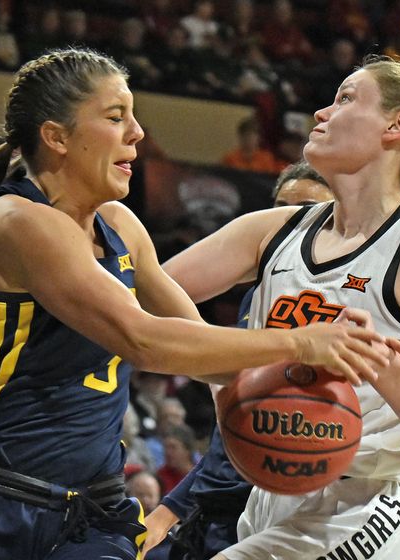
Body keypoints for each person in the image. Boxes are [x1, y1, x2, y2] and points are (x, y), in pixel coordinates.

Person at [0, 48, 388, 560]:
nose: (138, 132)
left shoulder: (120, 226)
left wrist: (282, 411)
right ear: (57, 136)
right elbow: (146, 341)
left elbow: (196, 340)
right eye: (116, 118)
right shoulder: (18, 221)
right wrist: (297, 342)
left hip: (96, 516)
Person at [149, 55, 400, 559]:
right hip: (270, 490)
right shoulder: (273, 229)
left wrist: (378, 361)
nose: (320, 114)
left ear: (398, 126)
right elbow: (145, 302)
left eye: (346, 98)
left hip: (369, 500)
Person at [143, 161, 334, 560]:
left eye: (307, 212)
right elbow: (233, 433)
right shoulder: (255, 299)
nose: (290, 222)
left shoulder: (344, 309)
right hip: (215, 503)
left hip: (288, 511)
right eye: (281, 208)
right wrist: (169, 510)